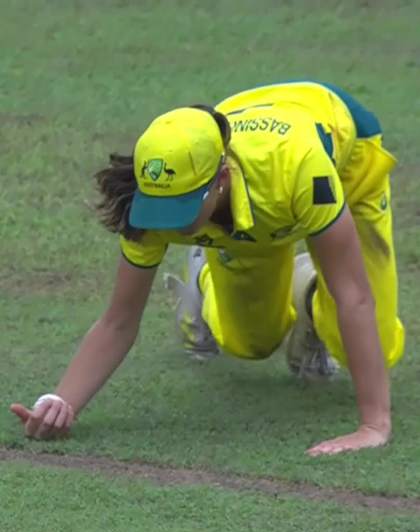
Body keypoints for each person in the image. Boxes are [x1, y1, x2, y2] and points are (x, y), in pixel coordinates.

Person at [10, 80, 405, 456]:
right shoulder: (151, 194)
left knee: (373, 346)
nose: (165, 223)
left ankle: (315, 291)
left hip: (342, 154)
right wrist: (61, 403)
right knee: (248, 343)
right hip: (246, 186)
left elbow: (354, 296)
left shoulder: (299, 168)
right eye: (159, 207)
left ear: (221, 178)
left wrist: (373, 427)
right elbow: (118, 321)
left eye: (181, 207)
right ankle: (205, 279)